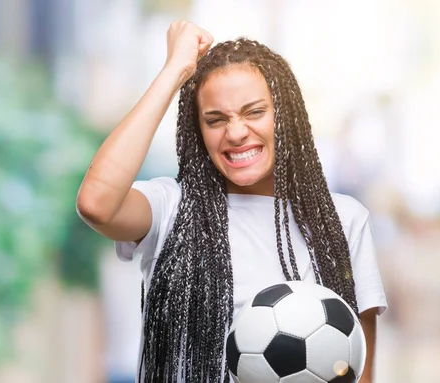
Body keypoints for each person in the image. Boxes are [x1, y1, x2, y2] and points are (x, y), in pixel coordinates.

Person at [76, 20, 387, 383]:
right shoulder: (172, 208)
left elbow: (358, 369)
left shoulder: (342, 220)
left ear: (285, 116)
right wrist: (174, 72)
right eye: (215, 119)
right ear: (198, 130)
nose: (236, 132)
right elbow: (96, 203)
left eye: (254, 112)